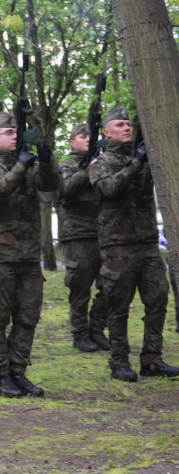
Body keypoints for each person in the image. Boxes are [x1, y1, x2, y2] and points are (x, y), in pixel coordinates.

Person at [0, 111, 59, 398]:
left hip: (28, 256)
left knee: (27, 318)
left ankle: (19, 371)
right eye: (8, 133)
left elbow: (50, 184)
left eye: (16, 132)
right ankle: (1, 376)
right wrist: (20, 167)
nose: (14, 137)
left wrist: (46, 161)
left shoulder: (28, 165)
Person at [88, 108, 179, 381]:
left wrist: (143, 158)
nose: (126, 128)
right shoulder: (99, 163)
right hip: (118, 246)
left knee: (158, 300)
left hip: (148, 243)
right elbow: (110, 189)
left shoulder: (144, 157)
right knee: (118, 305)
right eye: (120, 124)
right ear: (107, 132)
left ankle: (152, 359)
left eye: (129, 124)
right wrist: (137, 162)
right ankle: (119, 362)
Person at [57, 123, 110, 353]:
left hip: (106, 233)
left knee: (110, 285)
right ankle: (80, 334)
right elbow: (64, 192)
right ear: (72, 142)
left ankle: (97, 328)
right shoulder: (66, 166)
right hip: (78, 235)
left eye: (91, 136)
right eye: (82, 136)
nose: (88, 139)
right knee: (80, 287)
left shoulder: (103, 163)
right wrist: (86, 168)